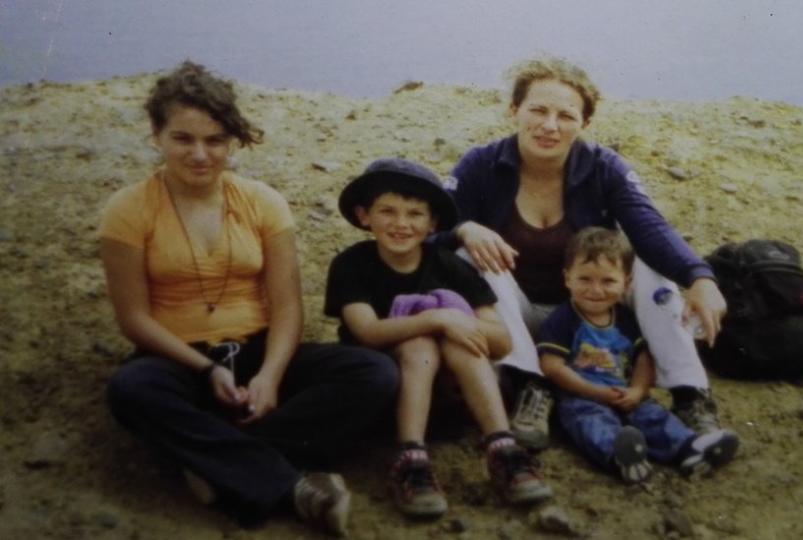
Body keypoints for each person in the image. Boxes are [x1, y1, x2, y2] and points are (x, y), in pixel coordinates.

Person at [100, 61, 398, 536]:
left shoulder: (263, 202)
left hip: (258, 349)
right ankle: (295, 488)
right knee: (131, 390)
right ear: (156, 135)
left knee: (375, 373)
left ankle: (216, 460)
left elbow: (285, 306)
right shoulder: (127, 210)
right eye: (183, 139)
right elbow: (134, 319)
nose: (200, 154)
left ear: (232, 141)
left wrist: (271, 376)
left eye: (215, 140)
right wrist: (207, 369)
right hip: (177, 360)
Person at [443, 56, 730, 449]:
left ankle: (690, 393)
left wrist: (700, 277)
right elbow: (430, 225)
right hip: (517, 316)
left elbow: (649, 227)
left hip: (590, 311)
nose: (549, 126)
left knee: (648, 268)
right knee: (472, 256)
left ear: (585, 124)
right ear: (514, 110)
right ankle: (533, 387)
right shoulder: (482, 164)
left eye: (566, 116)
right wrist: (463, 226)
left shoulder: (603, 167)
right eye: (538, 110)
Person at [324, 158, 552, 518]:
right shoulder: (352, 265)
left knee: (463, 338)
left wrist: (458, 323)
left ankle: (502, 447)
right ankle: (410, 457)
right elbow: (366, 331)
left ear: (432, 224)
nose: (401, 224)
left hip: (453, 398)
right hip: (385, 395)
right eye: (388, 211)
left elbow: (501, 341)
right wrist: (437, 317)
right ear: (364, 215)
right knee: (420, 342)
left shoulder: (449, 265)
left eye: (415, 214)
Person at [538, 227, 738, 482]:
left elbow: (644, 357)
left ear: (627, 282)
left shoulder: (625, 319)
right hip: (582, 397)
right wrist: (594, 392)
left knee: (653, 416)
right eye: (585, 279)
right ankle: (621, 456)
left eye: (608, 281)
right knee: (592, 425)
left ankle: (690, 449)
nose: (596, 290)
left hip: (624, 392)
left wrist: (638, 390)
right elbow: (552, 366)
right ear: (567, 278)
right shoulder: (564, 320)